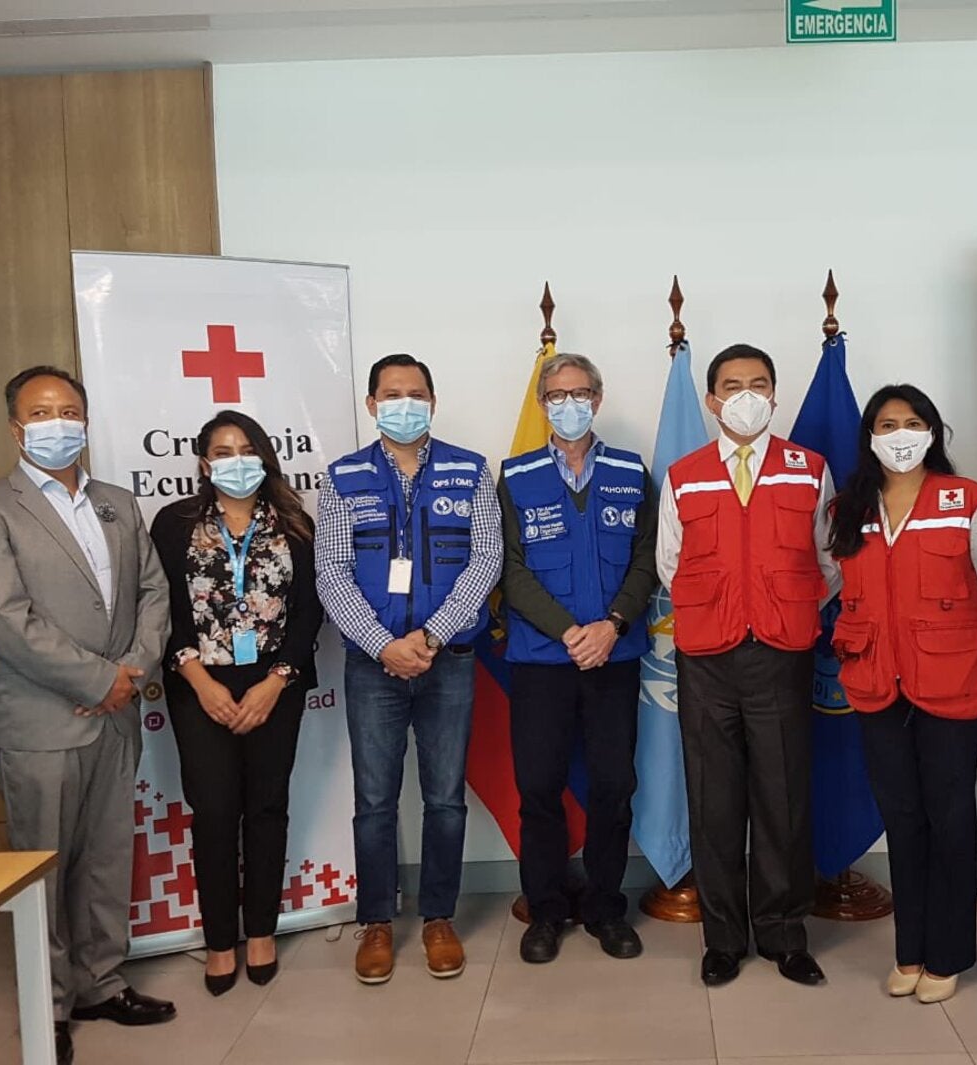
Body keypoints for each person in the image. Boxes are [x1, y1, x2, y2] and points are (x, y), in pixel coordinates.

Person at [0, 366, 175, 1065]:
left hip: (115, 715)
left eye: (69, 410)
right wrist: (99, 678)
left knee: (106, 858)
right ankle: (47, 1004)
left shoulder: (117, 503)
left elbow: (154, 593)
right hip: (38, 719)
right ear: (16, 429)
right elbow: (4, 617)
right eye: (42, 413)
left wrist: (129, 674)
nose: (58, 423)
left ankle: (99, 982)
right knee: (42, 867)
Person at [656, 343, 839, 988]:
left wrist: (778, 609)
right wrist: (723, 609)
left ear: (774, 394)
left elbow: (828, 562)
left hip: (781, 654)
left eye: (759, 384)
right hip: (707, 657)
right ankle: (723, 938)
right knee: (714, 801)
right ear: (711, 400)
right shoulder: (684, 474)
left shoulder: (808, 469)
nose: (746, 396)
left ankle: (785, 934)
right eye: (732, 386)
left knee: (783, 797)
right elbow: (670, 564)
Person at [316, 353, 502, 984]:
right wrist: (382, 645)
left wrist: (430, 635)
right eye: (391, 395)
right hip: (374, 666)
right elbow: (331, 573)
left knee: (445, 798)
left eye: (416, 394)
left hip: (449, 660)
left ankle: (438, 917)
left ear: (433, 401)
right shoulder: (343, 477)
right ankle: (375, 920)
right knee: (375, 800)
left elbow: (486, 560)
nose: (404, 404)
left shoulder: (470, 470)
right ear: (372, 405)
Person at [828, 384, 977, 1004]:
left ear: (932, 431)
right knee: (902, 818)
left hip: (952, 686)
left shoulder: (968, 501)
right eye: (886, 424)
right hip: (877, 686)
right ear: (870, 436)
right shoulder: (848, 508)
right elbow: (834, 582)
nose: (899, 434)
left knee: (950, 818)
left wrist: (944, 649)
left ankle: (947, 954)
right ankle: (910, 950)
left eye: (911, 422)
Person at [149, 410, 323, 995]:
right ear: (204, 464)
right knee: (215, 812)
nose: (236, 461)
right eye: (222, 452)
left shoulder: (294, 523)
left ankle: (262, 932)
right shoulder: (174, 524)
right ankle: (220, 940)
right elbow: (161, 607)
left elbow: (308, 611)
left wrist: (277, 681)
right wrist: (199, 680)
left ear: (265, 458)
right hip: (200, 685)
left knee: (268, 807)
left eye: (246, 450)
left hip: (275, 685)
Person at [499, 353, 659, 963]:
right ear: (543, 404)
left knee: (614, 786)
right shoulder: (515, 476)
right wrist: (570, 632)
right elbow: (509, 569)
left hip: (614, 658)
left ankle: (605, 908)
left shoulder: (630, 470)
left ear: (598, 398)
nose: (570, 404)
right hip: (542, 661)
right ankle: (545, 911)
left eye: (581, 392)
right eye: (557, 395)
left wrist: (612, 626)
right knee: (539, 788)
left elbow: (648, 558)